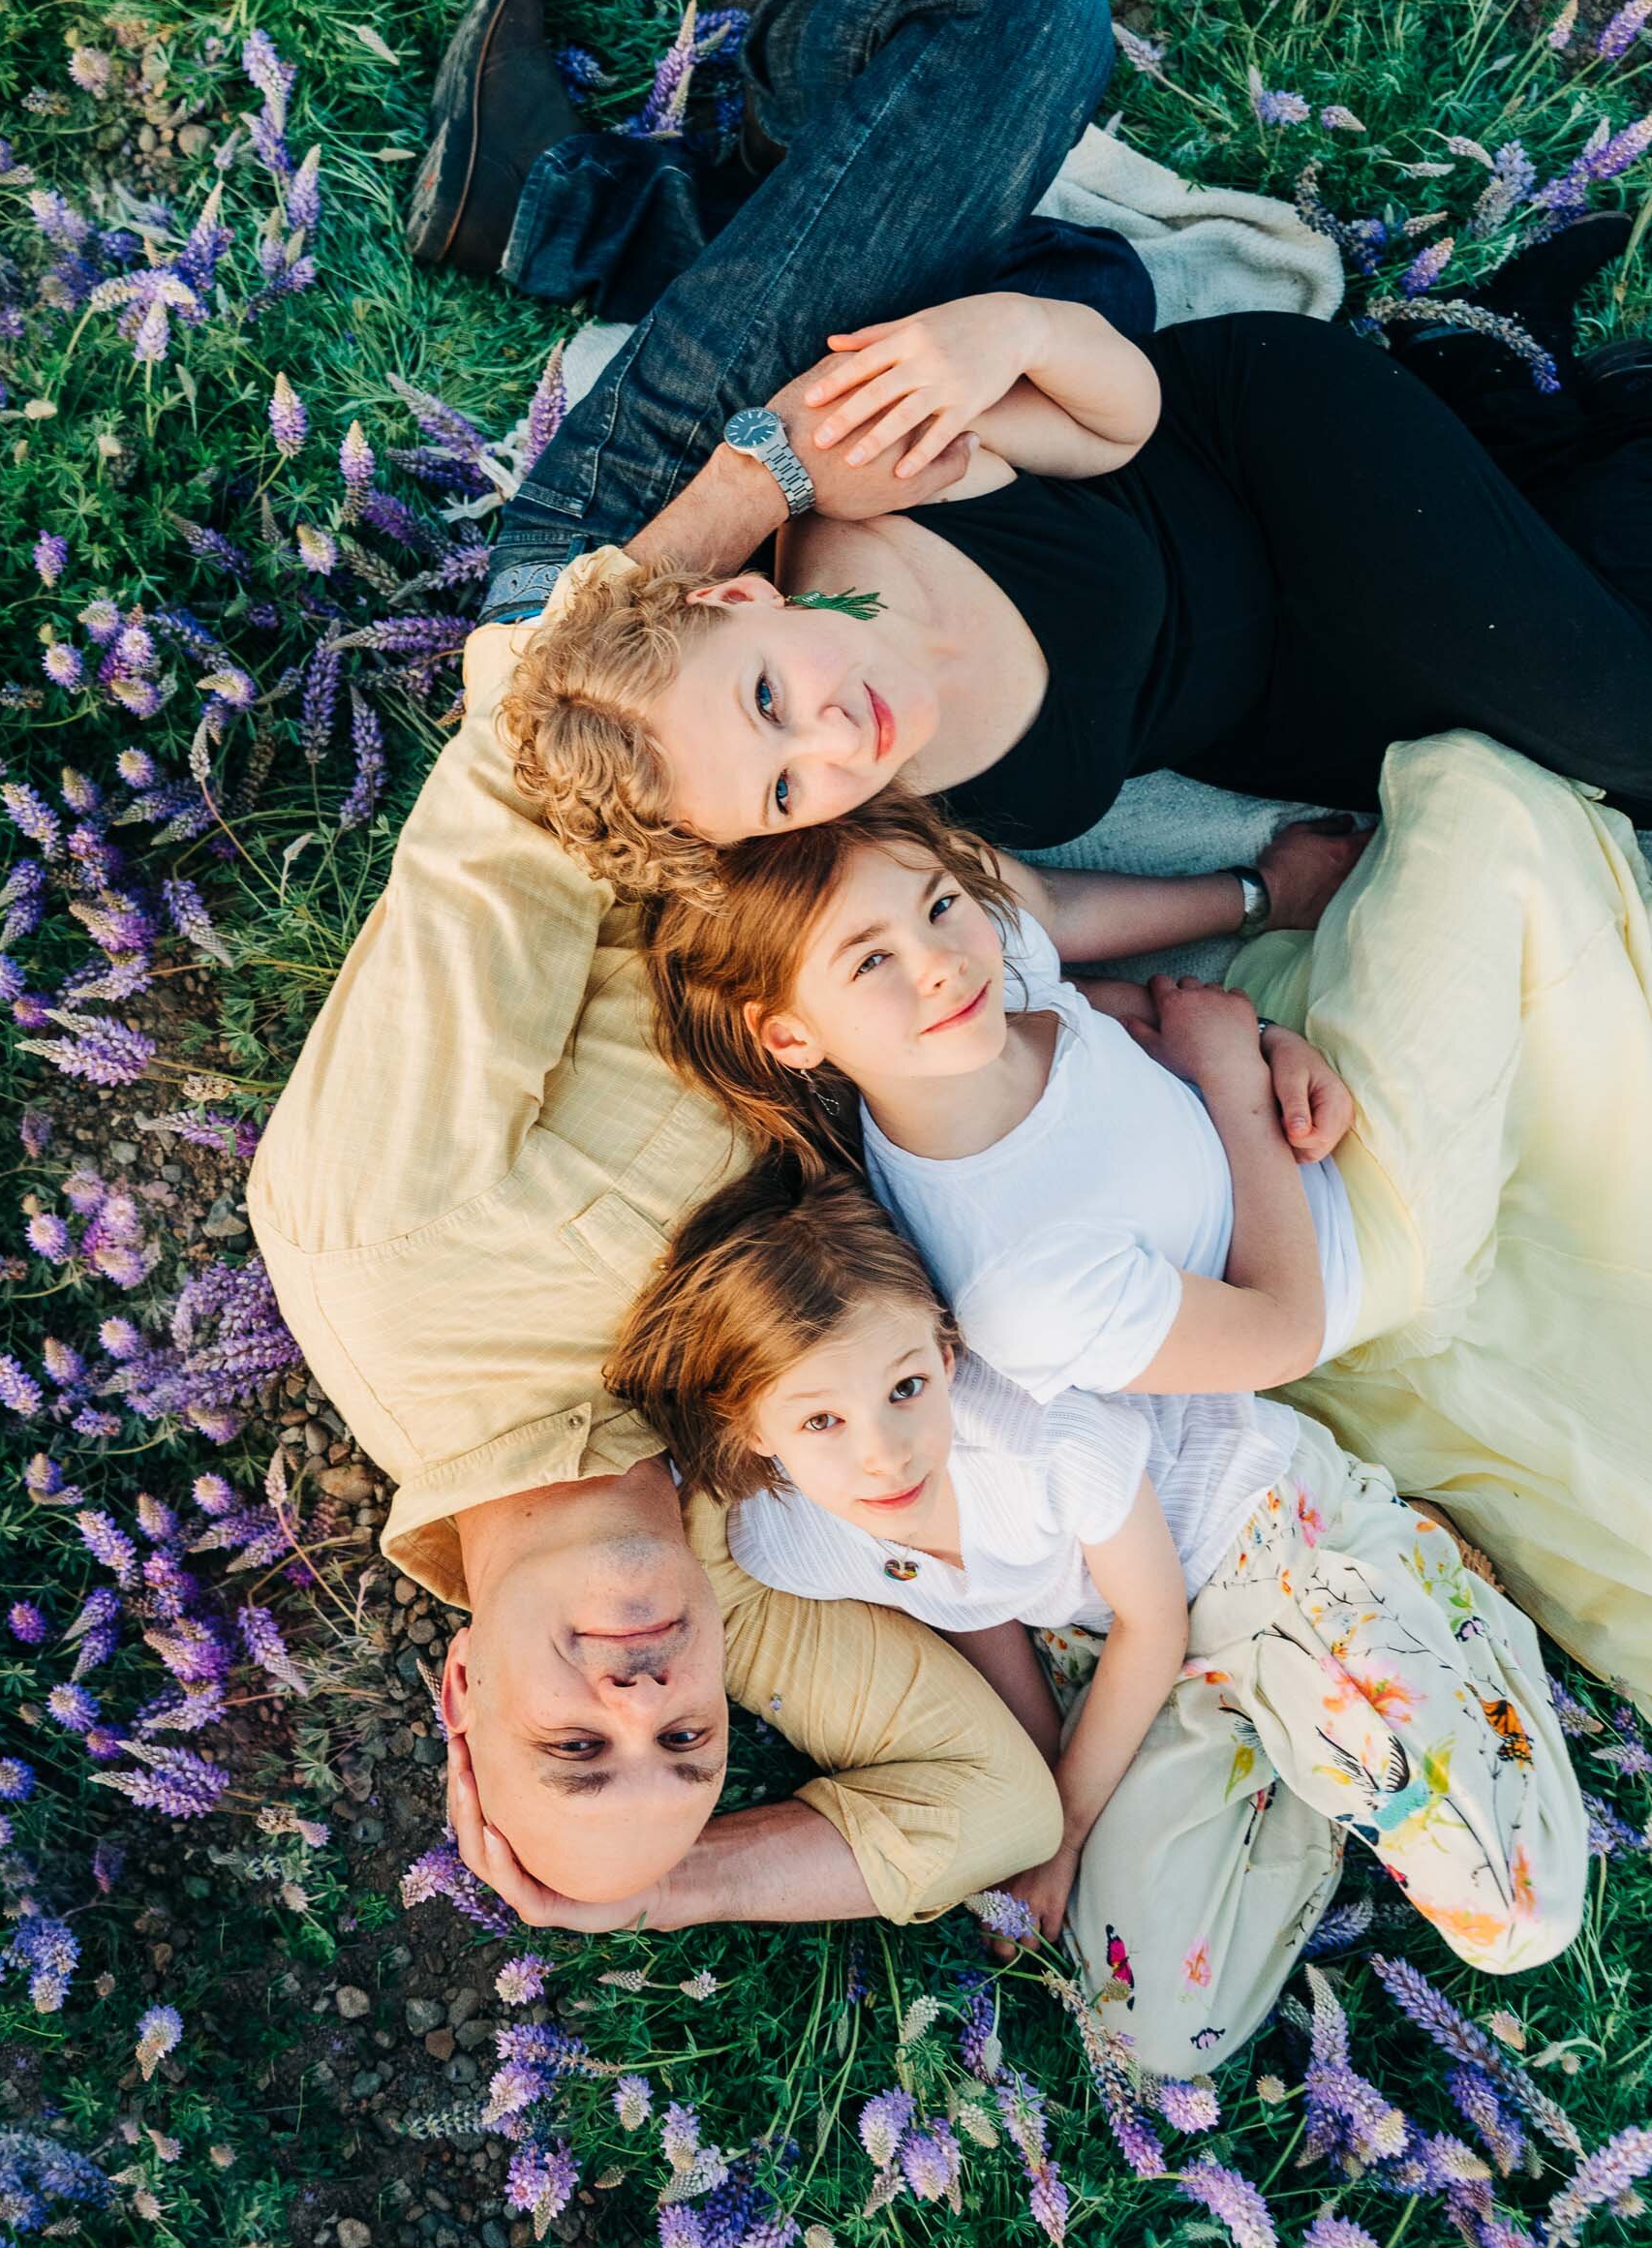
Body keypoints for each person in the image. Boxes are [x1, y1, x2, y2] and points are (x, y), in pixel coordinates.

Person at [455, 0, 1652, 878]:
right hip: (1288, 657)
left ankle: (730, 140)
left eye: (774, 701)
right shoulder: (827, 807)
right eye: (781, 788)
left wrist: (994, 339)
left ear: (734, 600)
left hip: (1247, 462)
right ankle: (795, 165)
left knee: (1032, 0)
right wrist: (1244, 902)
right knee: (1573, 739)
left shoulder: (872, 490)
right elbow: (1013, 918)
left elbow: (1111, 424)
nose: (822, 742)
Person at [246, 591, 1062, 1928]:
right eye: (686, 1747)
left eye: (572, 1747)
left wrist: (765, 467)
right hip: (965, 900)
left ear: (461, 1694)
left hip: (738, 668)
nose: (641, 1703)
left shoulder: (388, 1257)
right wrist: (646, 1892)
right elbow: (992, 1802)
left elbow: (527, 756)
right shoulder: (724, 1574)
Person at [636, 739, 1652, 1718]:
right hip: (1344, 1235)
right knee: (1475, 801)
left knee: (1478, 874)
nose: (939, 962)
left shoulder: (971, 998)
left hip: (1261, 1095)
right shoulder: (1017, 1283)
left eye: (942, 905)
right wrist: (1233, 1083)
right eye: (869, 964)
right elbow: (1282, 1329)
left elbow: (1104, 999)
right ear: (790, 1034)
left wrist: (1263, 1025)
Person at [607, 1167, 1587, 2072]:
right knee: (1150, 2025)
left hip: (1274, 1553)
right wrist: (1041, 1788)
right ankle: (1310, 1755)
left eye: (906, 1388)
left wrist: (1065, 1833)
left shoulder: (1041, 1436)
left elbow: (1152, 1620)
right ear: (753, 1432)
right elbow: (966, 1607)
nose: (885, 1453)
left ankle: (1422, 1588)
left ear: (945, 1356)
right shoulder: (788, 1542)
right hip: (1146, 1671)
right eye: (821, 1422)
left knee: (1513, 1918)